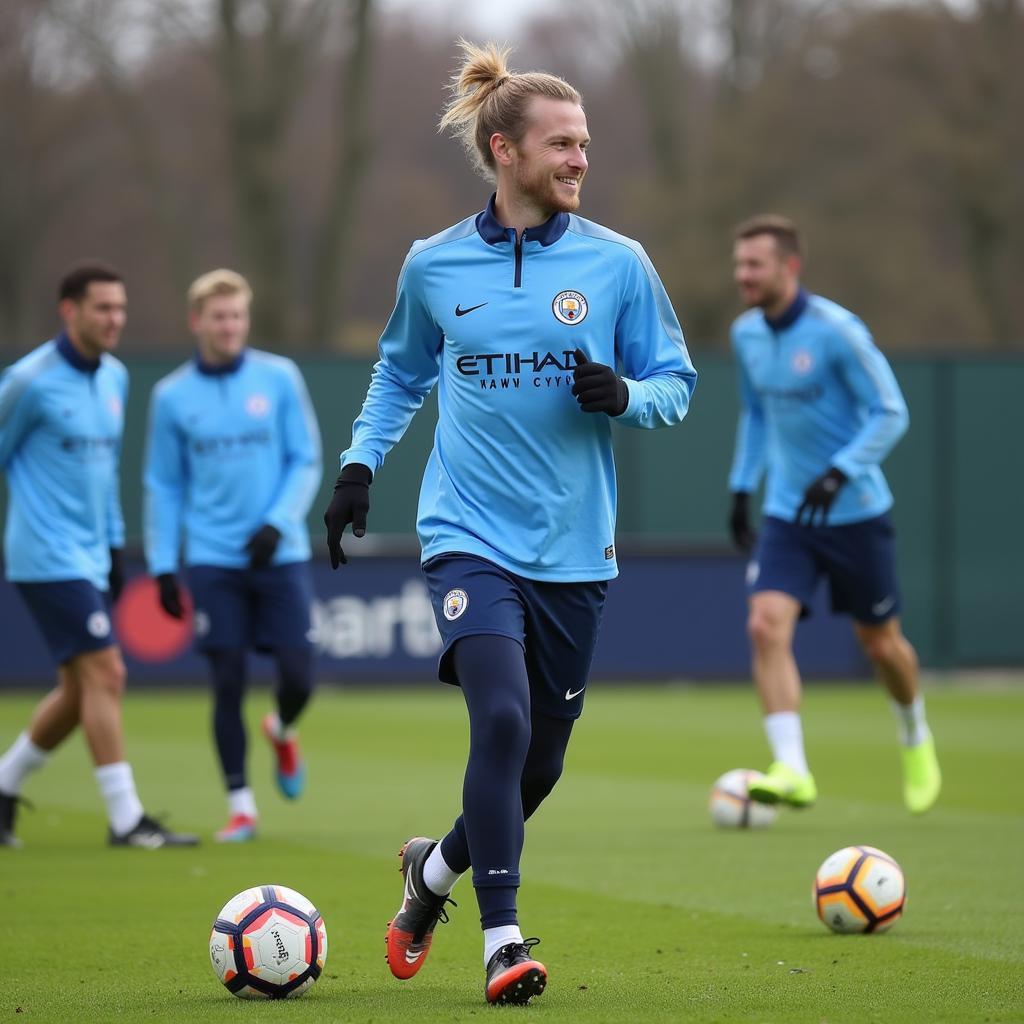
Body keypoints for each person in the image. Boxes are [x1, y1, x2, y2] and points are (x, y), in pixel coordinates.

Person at [323, 40, 696, 1006]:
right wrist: (361, 464)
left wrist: (625, 396)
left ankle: (432, 874)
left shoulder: (618, 264)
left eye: (585, 145)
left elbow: (677, 385)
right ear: (504, 151)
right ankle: (503, 941)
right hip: (466, 534)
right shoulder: (435, 265)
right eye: (561, 144)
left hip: (575, 545)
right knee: (499, 718)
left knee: (539, 766)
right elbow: (401, 371)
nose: (578, 160)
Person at [726, 214, 941, 815]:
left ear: (789, 268)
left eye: (754, 265)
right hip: (789, 516)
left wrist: (841, 470)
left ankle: (914, 734)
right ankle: (792, 769)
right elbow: (756, 414)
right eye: (739, 264)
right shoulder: (746, 335)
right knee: (764, 625)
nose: (742, 275)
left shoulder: (837, 331)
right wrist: (742, 488)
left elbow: (891, 412)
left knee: (881, 646)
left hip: (857, 513)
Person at [0, 263, 198, 849]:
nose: (115, 319)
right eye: (102, 308)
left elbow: (104, 472)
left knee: (79, 689)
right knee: (107, 672)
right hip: (44, 554)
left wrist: (113, 543)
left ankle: (4, 785)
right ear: (70, 310)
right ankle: (125, 819)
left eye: (120, 308)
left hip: (89, 555)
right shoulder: (28, 381)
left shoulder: (113, 377)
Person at [143, 269, 322, 842]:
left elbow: (306, 459)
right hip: (214, 559)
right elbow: (163, 485)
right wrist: (163, 564)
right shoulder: (171, 396)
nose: (229, 327)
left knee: (298, 675)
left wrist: (277, 521)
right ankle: (242, 806)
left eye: (238, 316)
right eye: (219, 317)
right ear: (198, 321)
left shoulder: (278, 377)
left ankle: (283, 728)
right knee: (227, 678)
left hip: (280, 553)